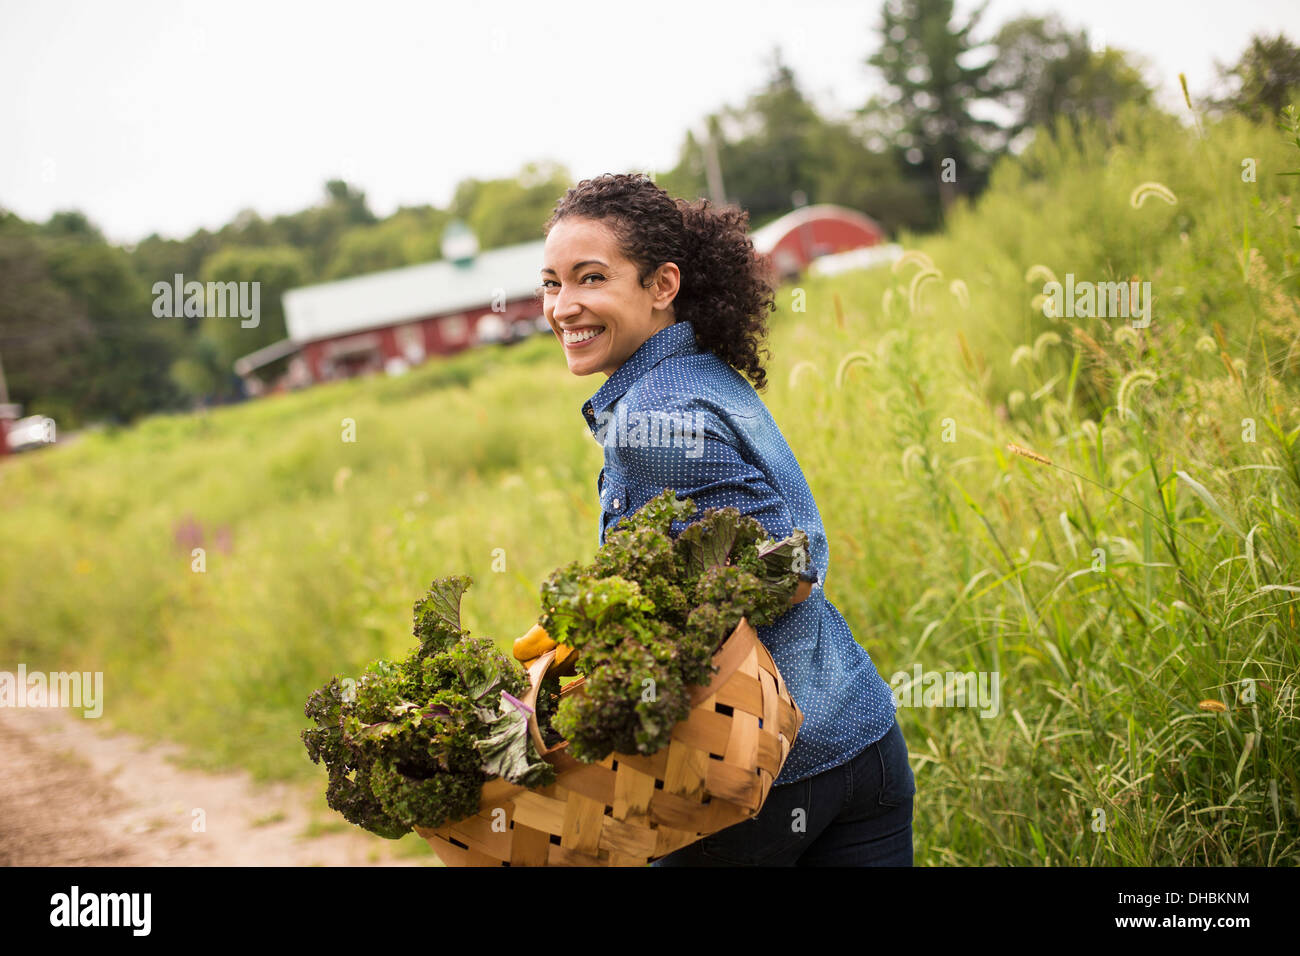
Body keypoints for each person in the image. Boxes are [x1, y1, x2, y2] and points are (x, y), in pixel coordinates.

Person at [538, 172, 915, 866]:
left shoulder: (652, 419)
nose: (563, 306)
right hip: (861, 741)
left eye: (590, 278)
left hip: (756, 781)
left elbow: (786, 570)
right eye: (552, 283)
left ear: (662, 285)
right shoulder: (703, 374)